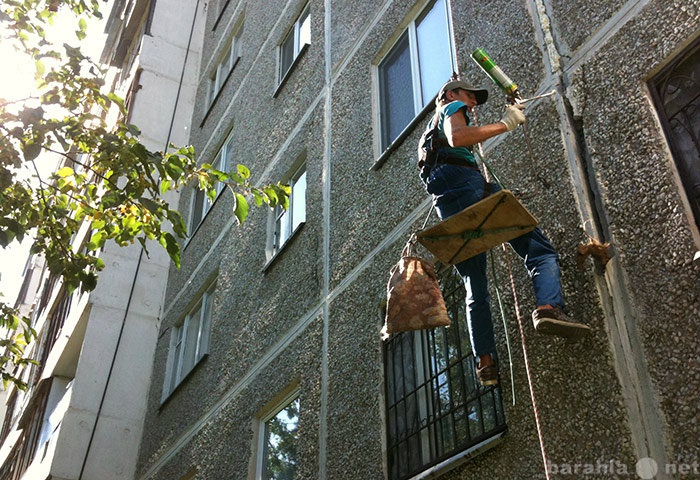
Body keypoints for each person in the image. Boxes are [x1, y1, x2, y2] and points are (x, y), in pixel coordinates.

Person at [418, 79, 590, 386]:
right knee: (538, 248)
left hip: (446, 205)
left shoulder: (426, 138)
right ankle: (548, 306)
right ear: (449, 95)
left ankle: (485, 362)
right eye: (468, 96)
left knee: (475, 287)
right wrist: (506, 123)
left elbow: (448, 149)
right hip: (468, 187)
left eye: (473, 100)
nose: (471, 104)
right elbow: (458, 138)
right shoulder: (450, 108)